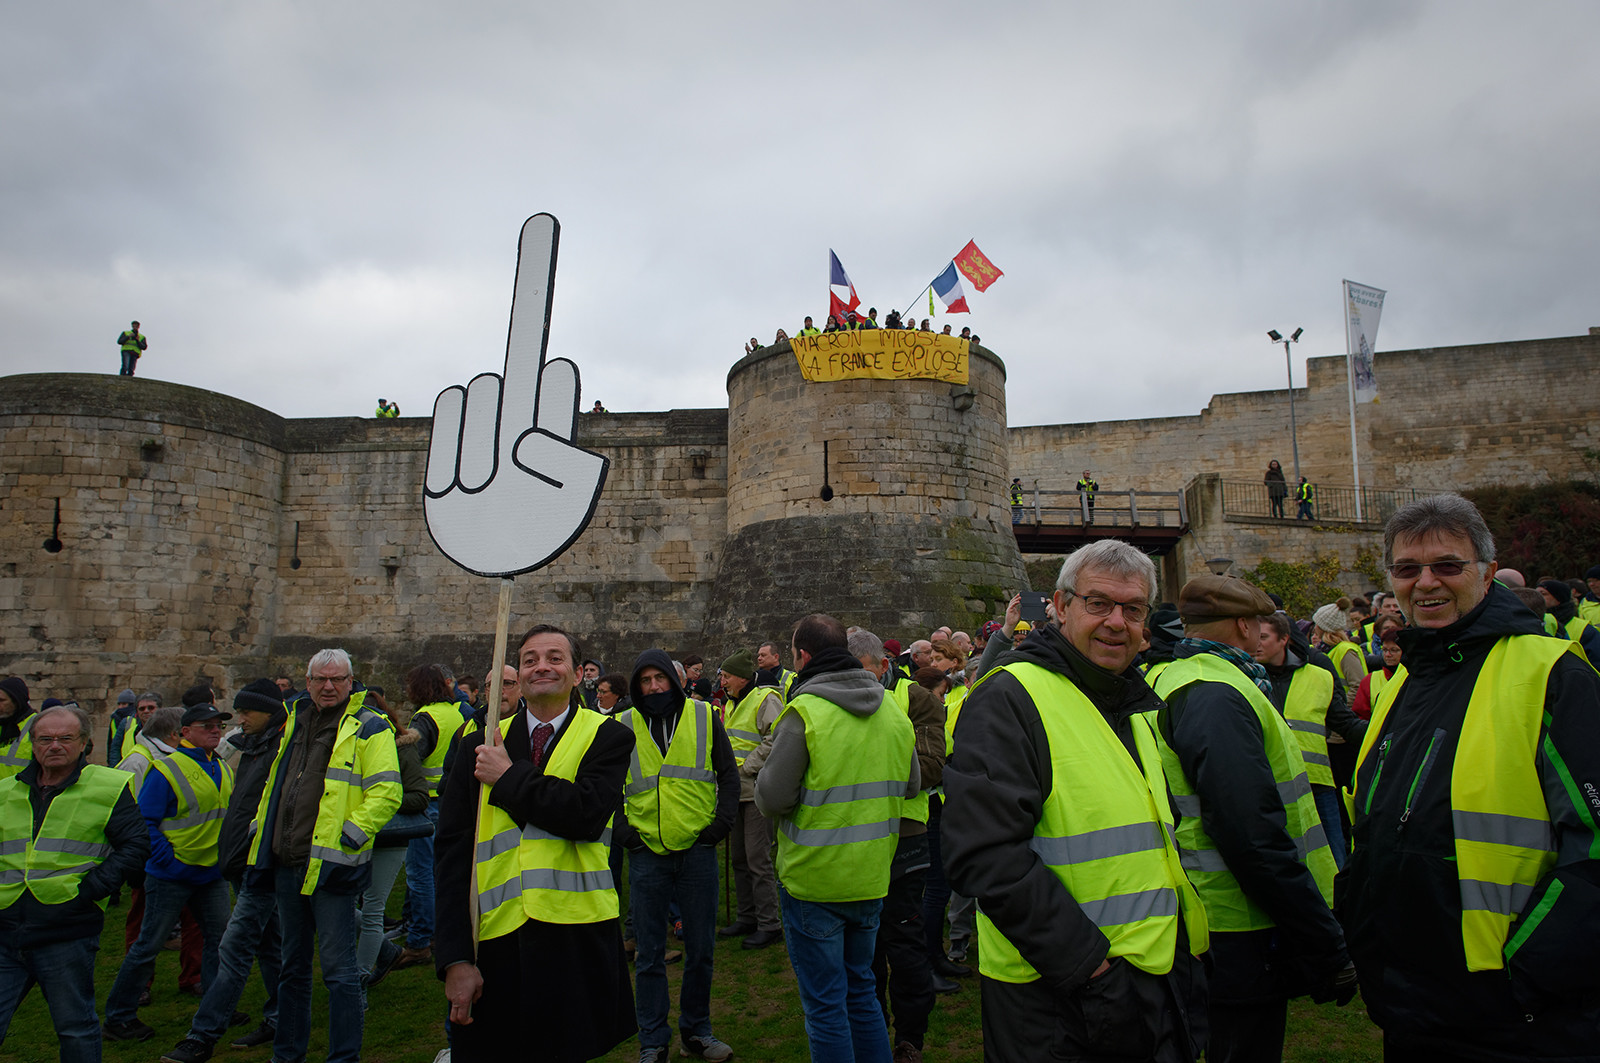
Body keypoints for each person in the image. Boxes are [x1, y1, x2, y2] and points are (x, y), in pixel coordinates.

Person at [1341, 495, 1600, 1061]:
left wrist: (1528, 979)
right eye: (1407, 569)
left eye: (1446, 566)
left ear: (1486, 573)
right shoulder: (1405, 679)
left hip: (1515, 1017)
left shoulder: (1551, 673)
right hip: (1409, 1001)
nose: (1425, 583)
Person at [942, 541, 1208, 1062]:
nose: (1117, 621)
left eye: (1132, 609)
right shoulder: (1010, 695)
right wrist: (1092, 970)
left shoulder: (1127, 699)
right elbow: (983, 853)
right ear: (1061, 608)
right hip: (1059, 993)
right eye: (1098, 603)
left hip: (1153, 976)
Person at [1151, 575, 1353, 1062]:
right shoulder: (1216, 692)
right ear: (1244, 625)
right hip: (1237, 921)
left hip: (1203, 910)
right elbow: (1250, 832)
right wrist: (1322, 938)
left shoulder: (1168, 676)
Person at [435, 624, 636, 1063]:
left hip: (574, 937)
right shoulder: (478, 744)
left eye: (554, 658)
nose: (541, 666)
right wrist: (454, 959)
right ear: (519, 675)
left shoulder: (608, 736)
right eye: (530, 660)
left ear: (578, 672)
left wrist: (507, 777)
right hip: (494, 940)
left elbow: (584, 814)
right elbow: (452, 852)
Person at [755, 613, 917, 1063]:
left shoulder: (805, 711)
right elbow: (911, 784)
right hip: (871, 876)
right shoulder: (892, 709)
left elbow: (770, 799)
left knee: (825, 1005)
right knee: (862, 989)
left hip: (815, 881)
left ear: (802, 656)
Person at [245, 649, 401, 1063]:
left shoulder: (370, 726)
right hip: (286, 861)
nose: (328, 687)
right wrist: (260, 829)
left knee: (339, 971)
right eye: (320, 679)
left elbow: (387, 792)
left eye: (337, 679)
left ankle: (343, 1057)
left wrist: (350, 837)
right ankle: (287, 1054)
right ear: (307, 681)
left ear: (352, 682)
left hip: (332, 866)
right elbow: (278, 783)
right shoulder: (294, 718)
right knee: (291, 969)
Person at [0, 703, 148, 1063]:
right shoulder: (5, 790)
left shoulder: (107, 786)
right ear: (32, 744)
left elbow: (136, 845)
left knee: (75, 1027)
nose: (54, 746)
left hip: (66, 930)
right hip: (5, 928)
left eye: (65, 738)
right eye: (45, 739)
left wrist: (92, 889)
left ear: (84, 744)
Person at [614, 649, 738, 1062]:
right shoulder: (623, 724)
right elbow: (607, 786)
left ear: (673, 680)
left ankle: (696, 1031)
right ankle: (653, 1040)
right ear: (637, 686)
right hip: (647, 851)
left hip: (697, 849)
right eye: (645, 681)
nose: (654, 687)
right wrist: (626, 834)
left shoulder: (704, 717)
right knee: (648, 953)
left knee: (700, 948)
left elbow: (727, 773)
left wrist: (720, 825)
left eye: (659, 679)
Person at [160, 681, 290, 1063]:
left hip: (260, 865)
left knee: (234, 950)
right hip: (240, 862)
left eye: (247, 712)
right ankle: (280, 1016)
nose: (241, 719)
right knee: (271, 946)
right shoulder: (251, 747)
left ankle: (202, 1035)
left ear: (268, 712)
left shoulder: (279, 748)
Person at [103, 702, 238, 1043]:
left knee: (219, 943)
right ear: (184, 733)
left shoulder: (221, 767)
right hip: (171, 874)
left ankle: (215, 1005)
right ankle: (118, 1016)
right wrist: (169, 861)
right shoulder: (166, 770)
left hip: (210, 873)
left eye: (217, 725)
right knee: (147, 945)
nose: (214, 730)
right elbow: (145, 821)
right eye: (205, 725)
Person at [854, 632, 949, 1063]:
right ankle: (871, 1029)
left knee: (905, 943)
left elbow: (931, 767)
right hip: (855, 837)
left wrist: (872, 758)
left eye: (863, 667)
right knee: (864, 946)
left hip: (905, 835)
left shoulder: (917, 699)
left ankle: (910, 1037)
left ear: (881, 664)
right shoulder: (837, 698)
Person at [1254, 612, 1366, 871]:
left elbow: (1344, 723)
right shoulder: (1247, 678)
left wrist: (1382, 737)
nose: (1256, 644)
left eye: (1263, 637)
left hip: (1317, 785)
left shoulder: (1319, 676)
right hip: (1270, 783)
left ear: (1284, 639)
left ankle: (1338, 908)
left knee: (1332, 858)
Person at [396, 664, 464, 971]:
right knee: (442, 873)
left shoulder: (425, 718)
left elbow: (414, 759)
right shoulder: (457, 714)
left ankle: (420, 940)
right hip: (449, 801)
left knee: (420, 874)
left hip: (426, 804)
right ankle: (440, 933)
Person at [716, 650, 785, 950]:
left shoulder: (765, 698)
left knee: (758, 858)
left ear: (742, 678)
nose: (722, 681)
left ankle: (770, 923)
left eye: (726, 676)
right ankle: (748, 916)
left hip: (756, 789)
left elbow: (776, 737)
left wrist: (746, 766)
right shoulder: (733, 703)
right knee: (740, 858)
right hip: (736, 792)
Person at [1312, 603, 1368, 691]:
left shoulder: (1346, 650)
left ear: (1322, 627)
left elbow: (1357, 686)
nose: (1315, 628)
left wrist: (1342, 705)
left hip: (1344, 703)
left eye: (1316, 624)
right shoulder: (1323, 649)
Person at [0, 678, 35, 780]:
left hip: (22, 792)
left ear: (16, 701)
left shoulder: (38, 725)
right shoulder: (3, 723)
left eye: (2, 700)